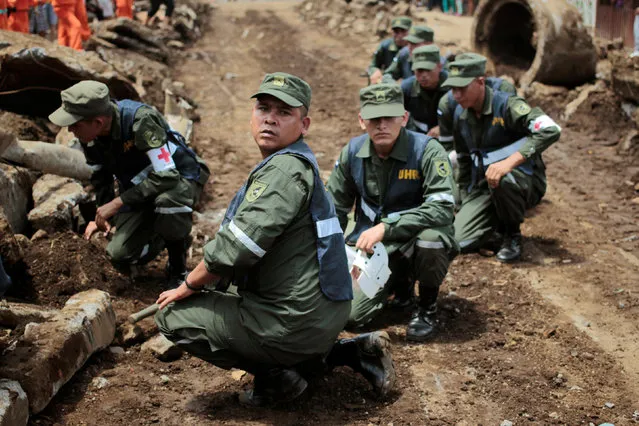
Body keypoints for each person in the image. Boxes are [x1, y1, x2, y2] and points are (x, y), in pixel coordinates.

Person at [154, 72, 396, 407]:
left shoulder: (284, 171)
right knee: (229, 289)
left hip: (301, 320)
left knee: (172, 317)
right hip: (326, 310)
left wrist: (189, 285)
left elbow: (235, 250)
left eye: (284, 112)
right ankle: (348, 352)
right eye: (263, 108)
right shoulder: (295, 162)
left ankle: (278, 380)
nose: (270, 118)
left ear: (304, 124)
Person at [327, 83, 457, 341]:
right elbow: (334, 210)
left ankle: (426, 307)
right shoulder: (352, 153)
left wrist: (387, 227)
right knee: (351, 316)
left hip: (413, 239)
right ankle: (398, 285)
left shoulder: (427, 150)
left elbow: (443, 208)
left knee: (431, 240)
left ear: (404, 118)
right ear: (362, 121)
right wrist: (329, 256)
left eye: (389, 117)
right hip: (373, 249)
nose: (382, 125)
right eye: (374, 119)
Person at [48, 80, 210, 287]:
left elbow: (167, 175)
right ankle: (169, 235)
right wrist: (102, 215)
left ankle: (178, 268)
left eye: (75, 124)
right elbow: (101, 177)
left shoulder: (140, 121)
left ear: (97, 122)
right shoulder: (89, 137)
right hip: (142, 188)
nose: (70, 130)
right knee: (119, 254)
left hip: (180, 178)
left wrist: (117, 203)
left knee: (168, 202)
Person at [441, 55, 561, 262]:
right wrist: (465, 202)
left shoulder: (507, 105)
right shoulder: (461, 117)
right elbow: (464, 162)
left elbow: (551, 129)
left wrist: (508, 163)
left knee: (503, 180)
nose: (456, 95)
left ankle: (511, 234)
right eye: (452, 89)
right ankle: (494, 224)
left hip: (523, 180)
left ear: (480, 82)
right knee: (459, 242)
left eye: (462, 88)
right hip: (484, 184)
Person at [401, 44, 448, 138]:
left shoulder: (452, 86)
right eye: (420, 70)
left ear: (439, 66)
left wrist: (443, 127)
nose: (424, 75)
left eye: (428, 69)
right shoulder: (407, 88)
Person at [368, 16, 412, 85]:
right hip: (389, 80)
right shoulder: (385, 46)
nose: (400, 35)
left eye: (403, 31)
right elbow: (373, 65)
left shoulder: (413, 48)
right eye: (396, 32)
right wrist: (375, 71)